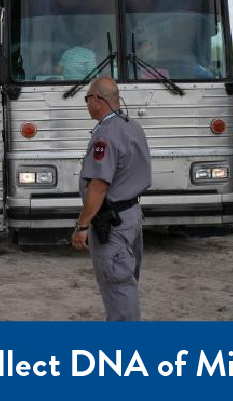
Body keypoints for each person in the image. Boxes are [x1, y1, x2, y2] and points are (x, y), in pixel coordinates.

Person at [71, 77, 151, 321]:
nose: (86, 104)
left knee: (118, 286)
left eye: (87, 98)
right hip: (131, 216)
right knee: (125, 282)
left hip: (112, 222)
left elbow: (98, 186)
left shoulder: (105, 136)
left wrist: (82, 225)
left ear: (97, 99)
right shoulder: (132, 126)